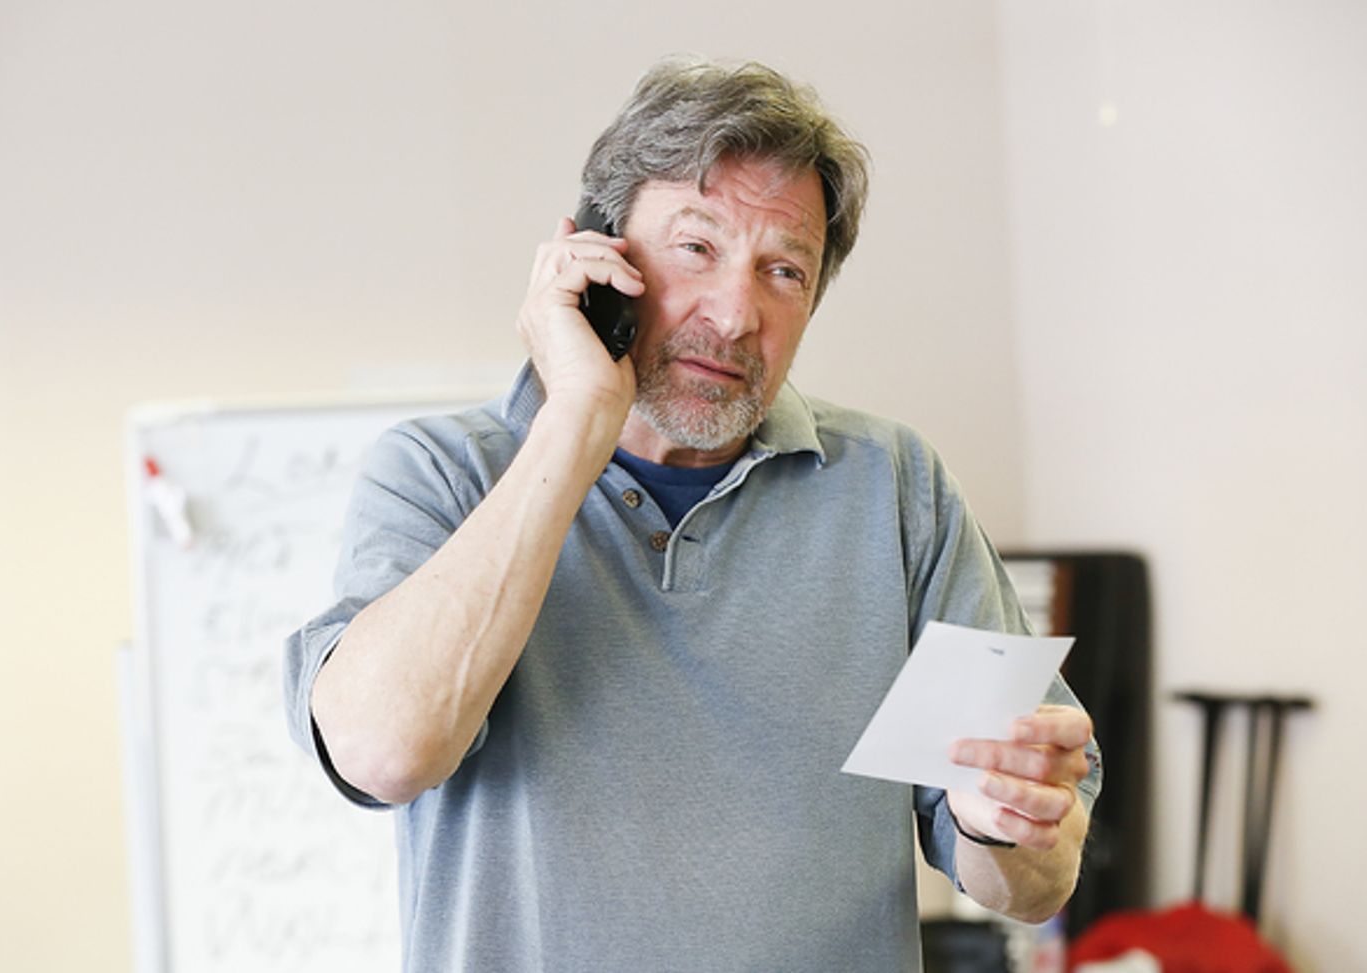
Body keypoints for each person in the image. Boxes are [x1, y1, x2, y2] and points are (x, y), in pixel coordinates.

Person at [284, 56, 1101, 972]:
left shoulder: (894, 484)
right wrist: (575, 422)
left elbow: (1034, 881)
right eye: (697, 247)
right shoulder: (442, 471)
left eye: (783, 271)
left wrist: (1006, 826)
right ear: (600, 260)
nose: (736, 311)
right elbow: (383, 753)